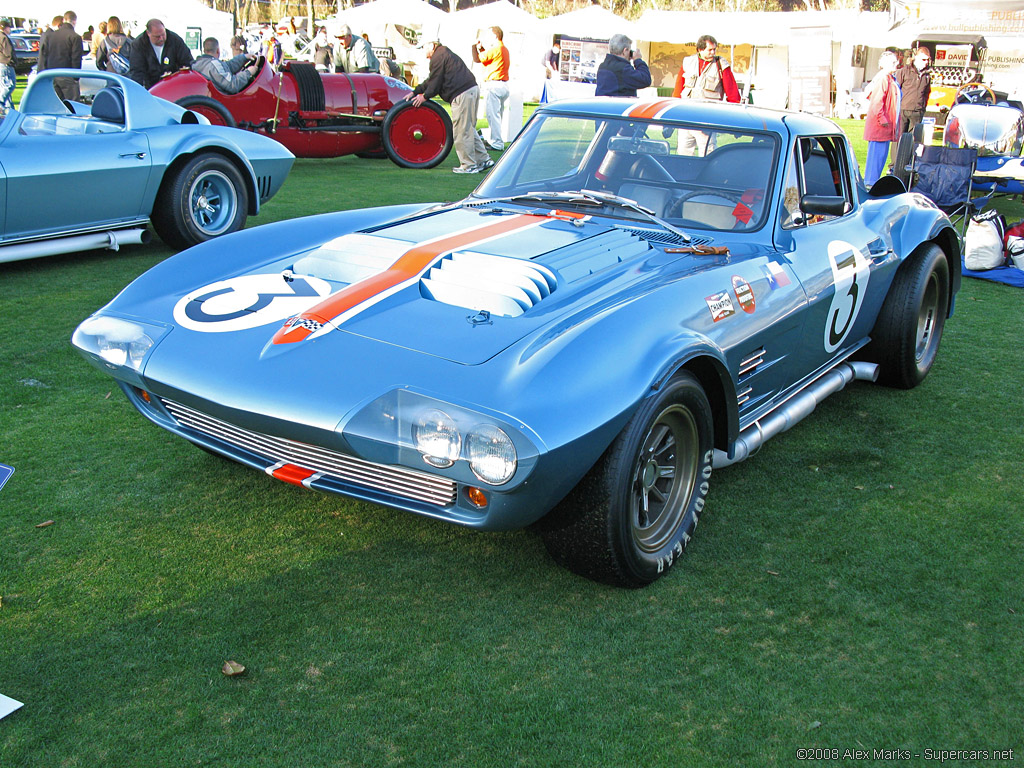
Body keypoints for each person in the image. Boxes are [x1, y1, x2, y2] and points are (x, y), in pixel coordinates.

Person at [405, 40, 491, 174]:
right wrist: (415, 91)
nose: (423, 51)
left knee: (461, 130)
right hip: (470, 89)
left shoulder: (438, 57)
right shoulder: (443, 53)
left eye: (423, 47)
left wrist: (424, 96)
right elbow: (432, 80)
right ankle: (483, 159)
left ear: (432, 45)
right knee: (468, 127)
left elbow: (435, 82)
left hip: (461, 93)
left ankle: (469, 165)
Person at [863, 50, 901, 186]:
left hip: (885, 127)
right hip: (880, 128)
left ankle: (872, 183)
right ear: (884, 64)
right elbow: (877, 102)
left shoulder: (890, 78)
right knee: (875, 160)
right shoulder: (883, 78)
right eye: (893, 62)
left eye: (896, 61)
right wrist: (882, 119)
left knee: (880, 158)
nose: (896, 64)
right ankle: (870, 185)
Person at [129, 19, 193, 89]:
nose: (161, 38)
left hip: (174, 85)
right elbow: (137, 72)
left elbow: (187, 62)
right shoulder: (138, 45)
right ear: (148, 33)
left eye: (163, 34)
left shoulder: (175, 40)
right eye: (157, 37)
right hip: (151, 88)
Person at [474, 26, 509, 151]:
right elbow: (486, 59)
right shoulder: (503, 49)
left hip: (494, 85)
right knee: (498, 115)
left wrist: (475, 47)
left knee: (492, 115)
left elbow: (478, 58)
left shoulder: (496, 48)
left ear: (495, 36)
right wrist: (481, 49)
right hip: (502, 84)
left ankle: (497, 143)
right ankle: (495, 140)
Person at [894, 45, 932, 146]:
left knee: (913, 140)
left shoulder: (927, 75)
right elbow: (896, 89)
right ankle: (895, 161)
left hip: (917, 111)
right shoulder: (904, 71)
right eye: (924, 59)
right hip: (903, 109)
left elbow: (927, 93)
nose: (926, 62)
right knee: (899, 138)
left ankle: (909, 160)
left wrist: (922, 108)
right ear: (917, 58)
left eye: (927, 60)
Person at [192, 36, 258, 94]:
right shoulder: (213, 65)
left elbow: (227, 66)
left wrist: (244, 57)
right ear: (218, 51)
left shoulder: (200, 63)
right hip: (224, 103)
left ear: (204, 50)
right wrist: (248, 72)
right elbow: (232, 85)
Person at [49, 11, 84, 101]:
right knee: (72, 105)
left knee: (57, 105)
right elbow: (76, 58)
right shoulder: (75, 37)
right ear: (74, 21)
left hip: (53, 74)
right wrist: (76, 77)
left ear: (64, 20)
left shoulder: (51, 36)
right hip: (68, 74)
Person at [0, 19, 15, 114]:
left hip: (1, 64)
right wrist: (11, 60)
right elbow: (8, 52)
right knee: (9, 85)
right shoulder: (4, 37)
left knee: (4, 85)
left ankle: (10, 112)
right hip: (5, 64)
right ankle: (0, 102)